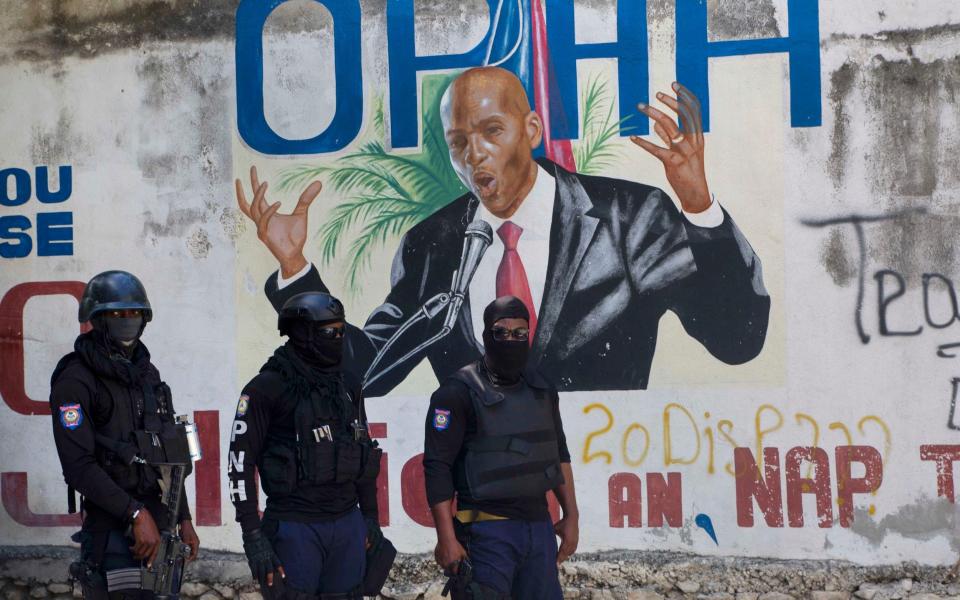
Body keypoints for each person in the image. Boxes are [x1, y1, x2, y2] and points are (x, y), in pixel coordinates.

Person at [237, 66, 770, 396]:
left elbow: (737, 340)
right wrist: (295, 271)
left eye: (492, 131)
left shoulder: (628, 217)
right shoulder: (432, 244)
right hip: (479, 497)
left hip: (602, 481)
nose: (475, 156)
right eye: (458, 141)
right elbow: (366, 373)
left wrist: (698, 205)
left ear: (532, 130)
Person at [49, 270, 200, 599]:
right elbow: (78, 465)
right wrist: (134, 513)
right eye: (117, 314)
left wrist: (183, 518)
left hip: (161, 527)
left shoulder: (148, 374)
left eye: (134, 313)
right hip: (113, 531)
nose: (127, 320)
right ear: (98, 318)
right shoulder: (76, 379)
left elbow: (168, 451)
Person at [227, 292, 384, 599]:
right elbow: (239, 464)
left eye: (341, 331)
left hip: (347, 524)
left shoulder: (348, 385)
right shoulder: (266, 388)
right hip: (294, 527)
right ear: (302, 333)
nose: (337, 338)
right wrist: (252, 536)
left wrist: (370, 517)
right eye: (329, 332)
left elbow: (362, 453)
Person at [423, 296, 578, 599]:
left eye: (519, 333)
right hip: (485, 534)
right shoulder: (456, 393)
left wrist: (572, 515)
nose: (511, 339)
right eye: (501, 332)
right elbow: (437, 466)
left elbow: (558, 452)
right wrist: (446, 537)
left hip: (538, 528)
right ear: (485, 337)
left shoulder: (542, 389)